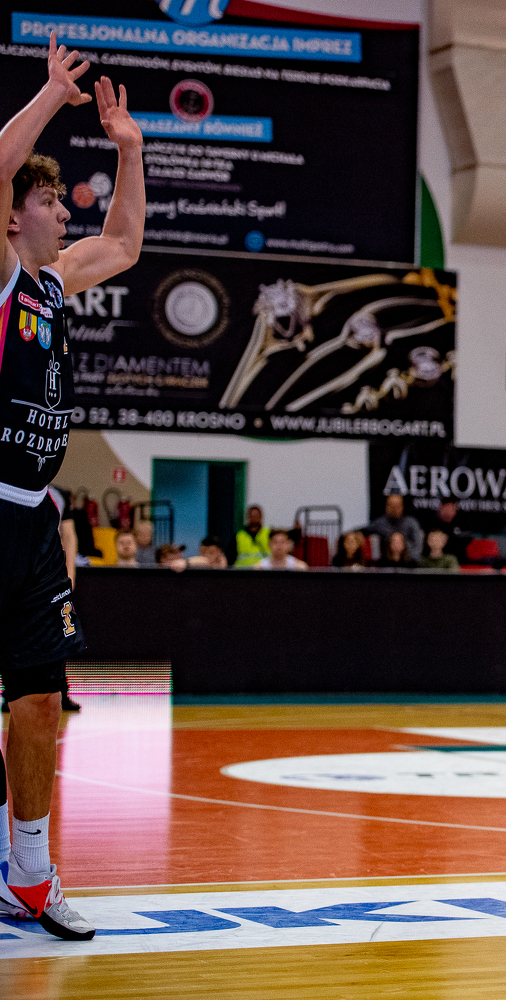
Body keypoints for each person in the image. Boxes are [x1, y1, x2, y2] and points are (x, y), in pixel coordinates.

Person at [0, 33, 144, 941]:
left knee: (41, 699)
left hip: (31, 520)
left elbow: (124, 242)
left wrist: (128, 149)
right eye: (49, 201)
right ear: (13, 217)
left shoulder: (55, 284)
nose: (64, 211)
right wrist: (54, 94)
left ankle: (29, 874)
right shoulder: (2, 275)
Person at [366, 494, 424, 561]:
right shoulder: (379, 523)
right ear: (386, 507)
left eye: (397, 505)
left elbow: (417, 547)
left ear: (402, 506)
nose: (394, 508)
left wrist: (404, 558)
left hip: (408, 561)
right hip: (385, 561)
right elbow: (364, 531)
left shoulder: (411, 523)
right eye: (391, 505)